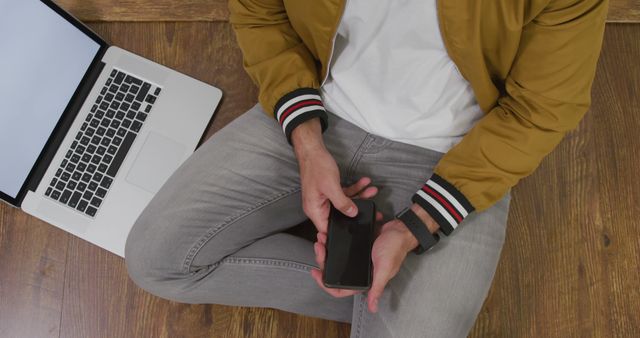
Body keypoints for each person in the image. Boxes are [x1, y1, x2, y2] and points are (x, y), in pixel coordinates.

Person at [124, 0, 608, 336]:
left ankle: (387, 291)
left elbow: (542, 109)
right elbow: (260, 12)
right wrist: (307, 140)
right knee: (156, 259)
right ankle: (389, 296)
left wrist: (419, 224)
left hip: (457, 158)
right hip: (317, 109)